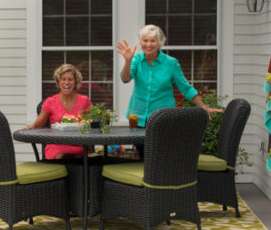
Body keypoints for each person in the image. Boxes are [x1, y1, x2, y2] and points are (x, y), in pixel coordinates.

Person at [116, 25, 223, 158]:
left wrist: (203, 106)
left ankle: (159, 178)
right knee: (144, 156)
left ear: (160, 42)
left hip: (162, 119)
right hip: (138, 119)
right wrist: (127, 61)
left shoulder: (171, 63)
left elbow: (186, 88)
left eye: (152, 41)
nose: (148, 44)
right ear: (140, 42)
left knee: (159, 156)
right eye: (145, 40)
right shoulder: (136, 60)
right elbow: (125, 79)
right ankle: (147, 178)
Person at [21, 63, 93, 160]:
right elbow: (37, 126)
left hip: (78, 145)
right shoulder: (50, 102)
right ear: (58, 82)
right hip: (56, 145)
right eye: (63, 79)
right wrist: (27, 129)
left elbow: (96, 121)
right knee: (65, 157)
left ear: (76, 82)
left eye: (70, 79)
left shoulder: (84, 101)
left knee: (80, 157)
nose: (66, 83)